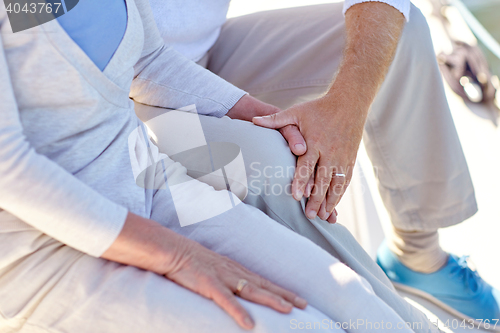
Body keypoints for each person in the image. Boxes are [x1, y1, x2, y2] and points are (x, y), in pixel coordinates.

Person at [0, 0, 439, 332]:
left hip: (145, 183)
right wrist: (177, 253)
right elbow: (9, 169)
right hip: (44, 248)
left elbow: (147, 61)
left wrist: (272, 122)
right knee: (303, 327)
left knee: (356, 305)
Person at [145, 0, 500, 323]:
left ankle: (418, 257)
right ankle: (391, 318)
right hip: (125, 97)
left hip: (200, 51)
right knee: (275, 163)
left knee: (401, 29)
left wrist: (348, 105)